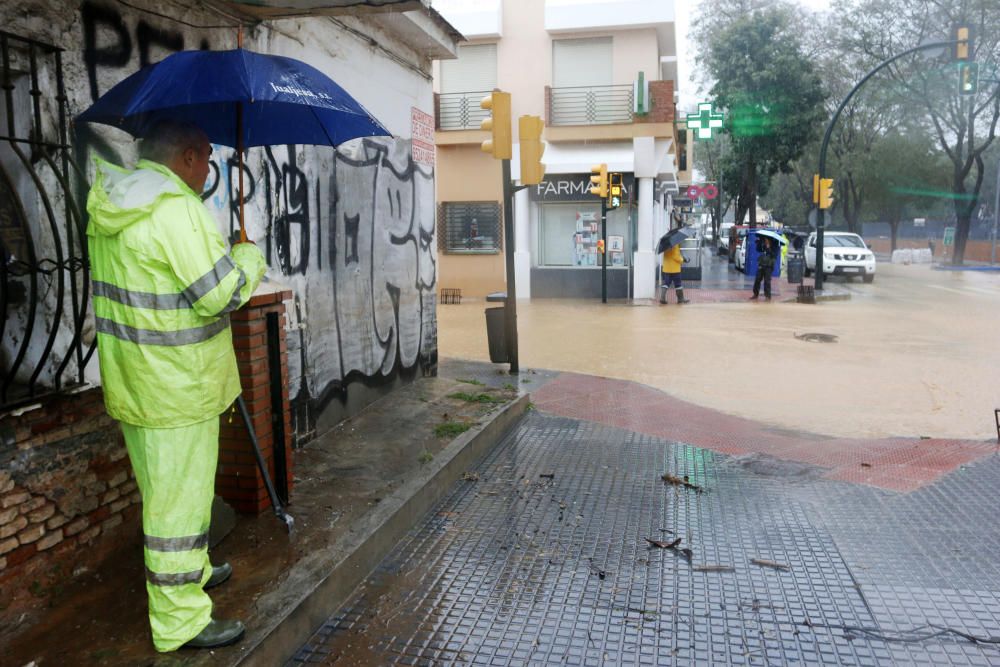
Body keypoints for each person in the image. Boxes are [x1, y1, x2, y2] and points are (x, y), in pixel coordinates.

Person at [86, 120, 267, 652]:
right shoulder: (177, 209)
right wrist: (248, 256)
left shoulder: (112, 204)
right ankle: (180, 619)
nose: (209, 170)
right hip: (180, 387)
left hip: (136, 381)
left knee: (165, 493)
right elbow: (219, 294)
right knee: (178, 507)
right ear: (188, 156)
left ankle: (194, 571)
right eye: (207, 158)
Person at [750, 235, 777, 301]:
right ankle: (755, 294)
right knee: (757, 279)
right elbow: (758, 250)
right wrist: (758, 243)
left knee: (767, 281)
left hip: (769, 265)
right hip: (762, 264)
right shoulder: (763, 244)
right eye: (765, 240)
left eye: (766, 240)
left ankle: (768, 296)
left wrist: (768, 248)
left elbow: (774, 255)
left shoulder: (775, 246)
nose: (765, 241)